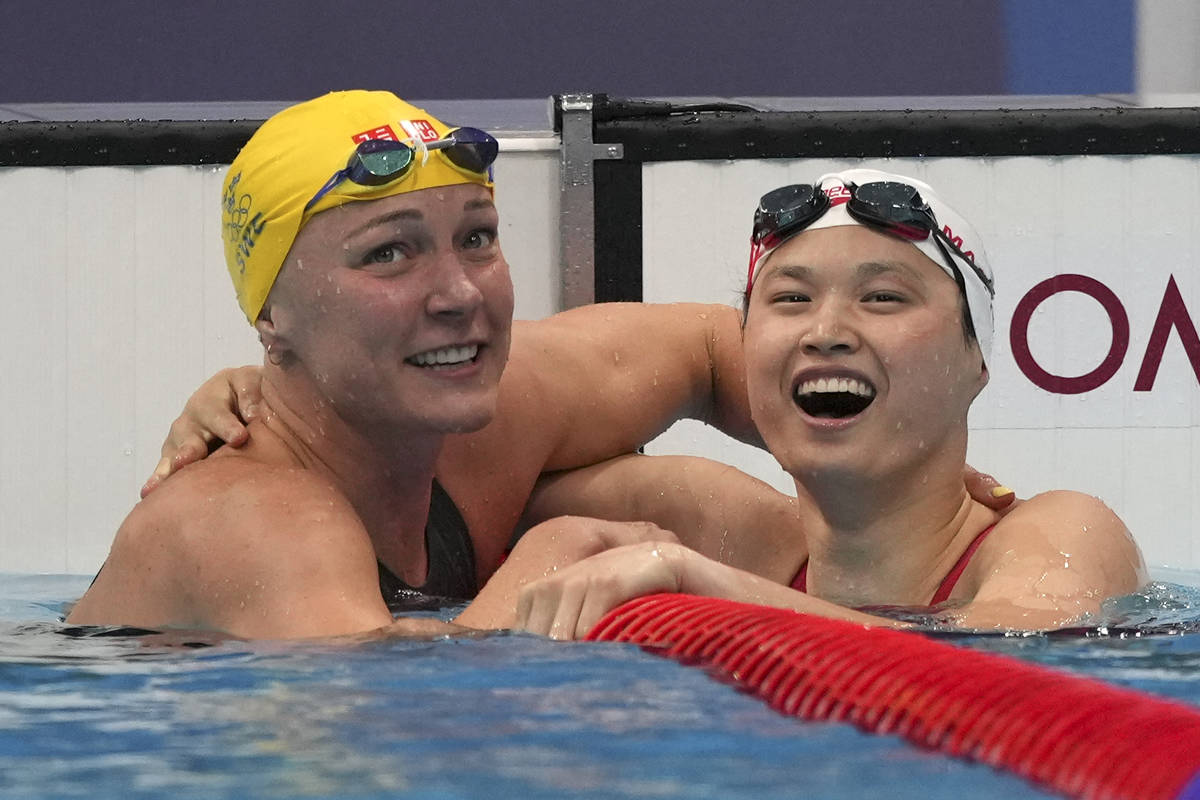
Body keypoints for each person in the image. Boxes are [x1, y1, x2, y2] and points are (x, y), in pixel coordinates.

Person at [66, 90, 773, 638]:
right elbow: (400, 733)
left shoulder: (492, 417)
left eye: (477, 238)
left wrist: (878, 494)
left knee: (651, 493)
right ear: (272, 320)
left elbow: (714, 350)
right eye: (388, 253)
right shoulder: (251, 524)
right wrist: (554, 552)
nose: (460, 293)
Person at [488, 170, 1146, 638]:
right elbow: (480, 518)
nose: (825, 331)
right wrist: (561, 541)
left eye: (883, 297)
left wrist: (702, 585)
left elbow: (998, 681)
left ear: (977, 360)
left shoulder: (1058, 533)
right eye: (790, 300)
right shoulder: (719, 524)